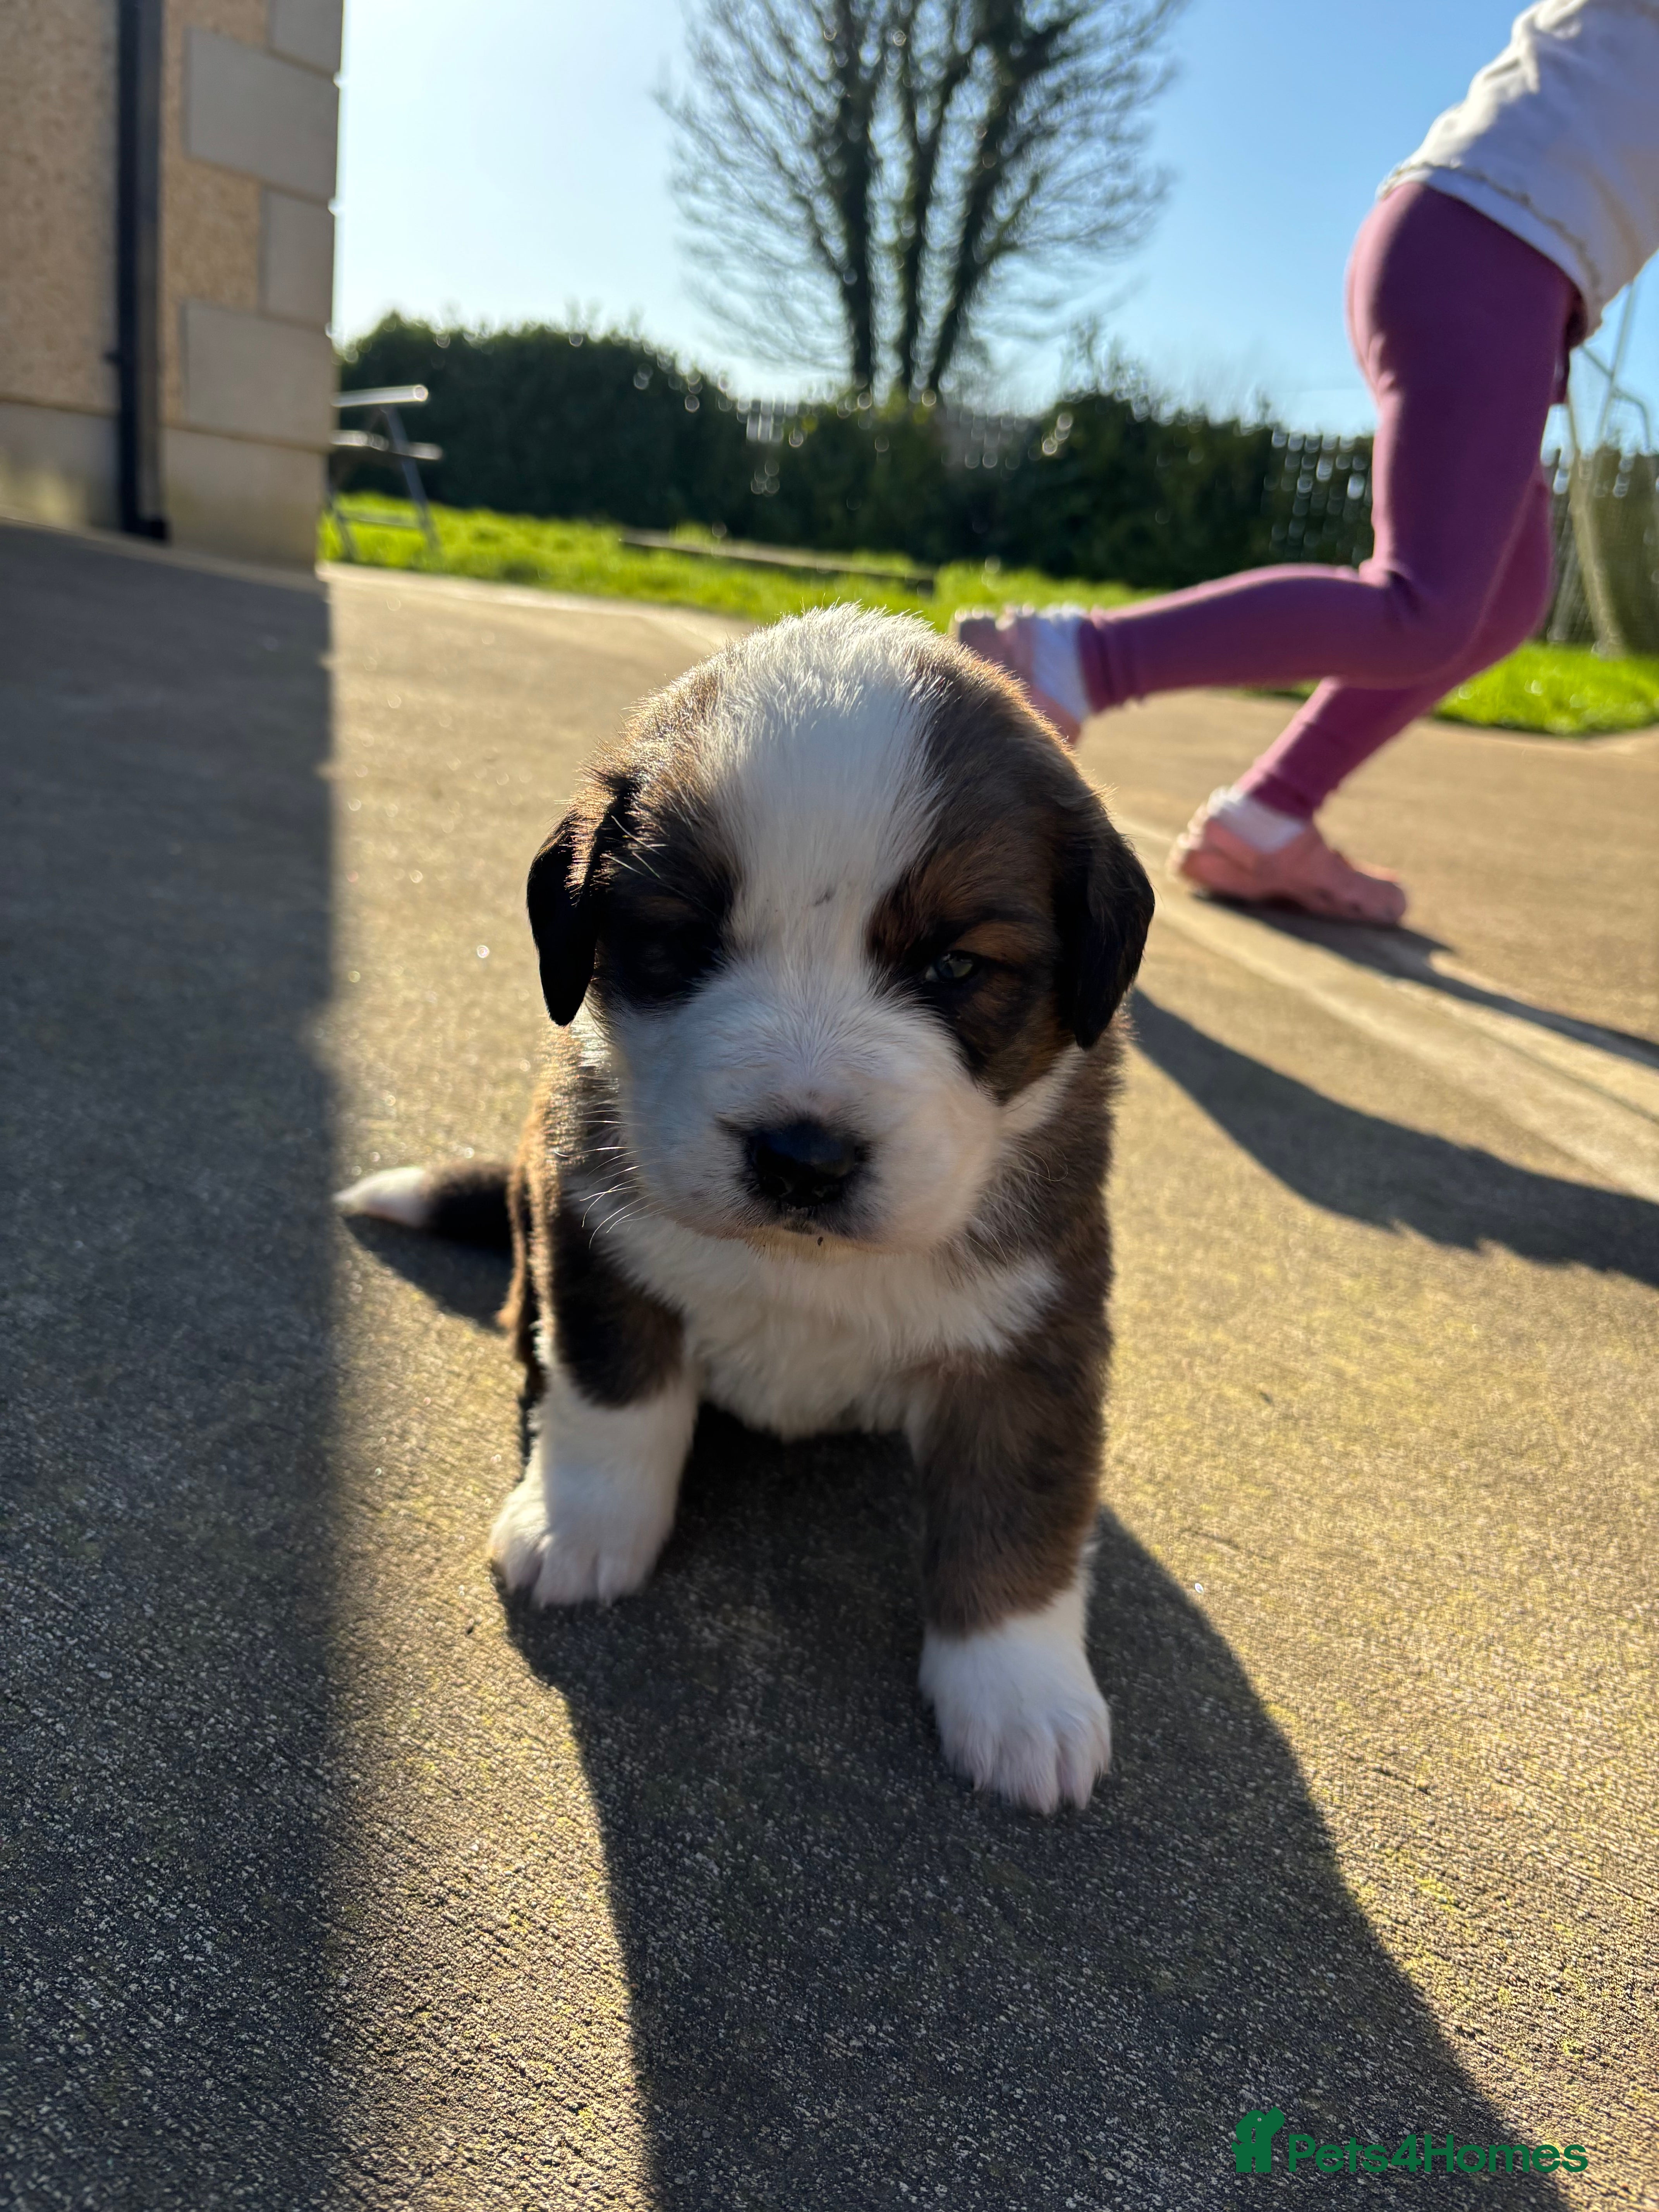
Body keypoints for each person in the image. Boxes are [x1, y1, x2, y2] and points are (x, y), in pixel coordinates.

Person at [953, 0, 1659, 925]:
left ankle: (1267, 818)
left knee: (1504, 598)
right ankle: (1068, 657)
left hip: (1501, 265)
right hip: (1490, 247)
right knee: (1422, 608)